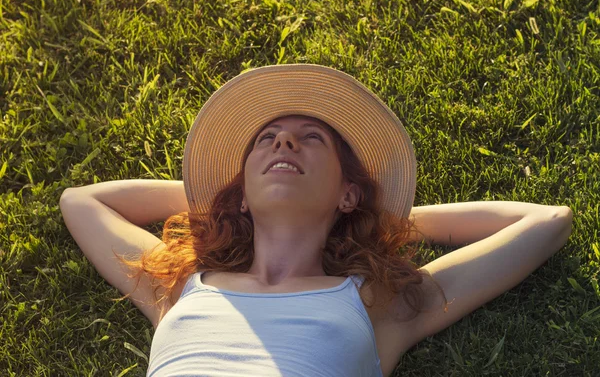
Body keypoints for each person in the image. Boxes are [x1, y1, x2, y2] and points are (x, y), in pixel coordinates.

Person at [59, 64, 574, 377]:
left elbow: (548, 221)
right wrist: (227, 195)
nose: (283, 142)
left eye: (311, 139)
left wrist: (388, 218)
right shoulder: (178, 287)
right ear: (241, 195)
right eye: (267, 140)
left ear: (348, 194)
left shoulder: (379, 306)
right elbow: (79, 201)